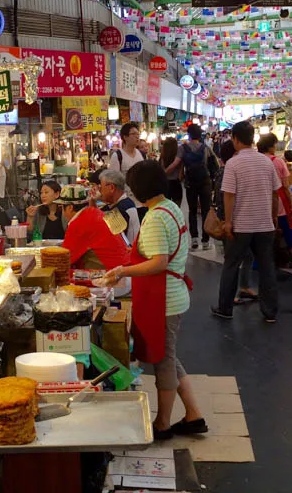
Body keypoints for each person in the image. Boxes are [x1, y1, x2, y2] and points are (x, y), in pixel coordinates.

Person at [99, 161, 206, 440]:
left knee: (164, 361)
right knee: (169, 355)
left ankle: (163, 423)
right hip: (170, 295)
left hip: (164, 299)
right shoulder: (168, 206)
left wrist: (122, 271)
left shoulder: (157, 217)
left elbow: (158, 263)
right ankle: (194, 413)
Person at [211, 121, 281, 322]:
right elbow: (275, 193)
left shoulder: (233, 163)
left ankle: (225, 309)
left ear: (235, 139)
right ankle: (270, 312)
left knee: (231, 265)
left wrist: (228, 222)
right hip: (264, 224)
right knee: (267, 267)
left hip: (241, 225)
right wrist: (273, 216)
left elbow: (229, 196)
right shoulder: (267, 162)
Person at [257, 134, 292, 282]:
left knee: (263, 239)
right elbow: (285, 187)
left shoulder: (257, 161)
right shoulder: (278, 162)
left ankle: (262, 268)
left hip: (263, 204)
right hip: (280, 203)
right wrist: (290, 204)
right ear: (271, 146)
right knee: (291, 236)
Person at [165, 124, 218, 250]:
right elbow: (215, 165)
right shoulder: (206, 147)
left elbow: (176, 164)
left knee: (192, 211)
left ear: (189, 134)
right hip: (205, 182)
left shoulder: (183, 148)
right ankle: (205, 241)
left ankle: (194, 240)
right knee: (205, 211)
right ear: (200, 134)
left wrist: (163, 172)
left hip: (190, 183)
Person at [59, 187, 128, 270]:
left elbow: (65, 259)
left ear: (70, 207)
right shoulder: (96, 212)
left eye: (62, 207)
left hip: (109, 274)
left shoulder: (78, 223)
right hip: (123, 268)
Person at [99, 169, 140, 244]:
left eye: (101, 187)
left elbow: (111, 238)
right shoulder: (125, 202)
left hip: (126, 252)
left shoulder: (122, 209)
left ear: (111, 188)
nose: (100, 191)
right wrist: (93, 200)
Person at [159, 137, 183, 206]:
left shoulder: (162, 157)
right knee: (177, 210)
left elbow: (162, 173)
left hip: (165, 185)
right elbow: (180, 176)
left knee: (166, 210)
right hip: (176, 184)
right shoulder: (179, 159)